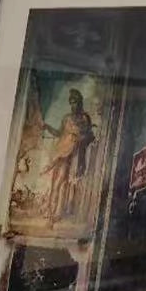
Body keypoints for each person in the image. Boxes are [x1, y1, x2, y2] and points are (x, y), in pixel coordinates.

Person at [42, 87, 96, 221]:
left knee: (67, 183)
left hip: (76, 155)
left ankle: (58, 212)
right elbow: (59, 133)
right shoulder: (66, 118)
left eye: (75, 102)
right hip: (63, 153)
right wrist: (47, 127)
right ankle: (52, 210)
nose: (73, 105)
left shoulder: (85, 118)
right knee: (58, 182)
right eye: (71, 102)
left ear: (80, 102)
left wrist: (79, 139)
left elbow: (90, 136)